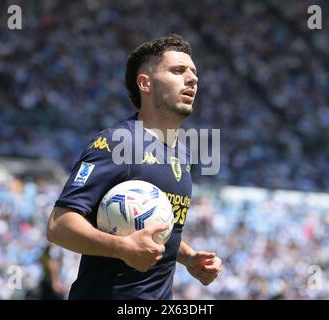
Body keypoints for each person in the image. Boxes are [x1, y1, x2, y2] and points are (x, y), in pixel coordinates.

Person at [47, 34, 222, 299]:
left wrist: (188, 257)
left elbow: (153, 227)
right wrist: (121, 248)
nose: (192, 79)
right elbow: (59, 226)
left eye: (194, 73)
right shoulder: (117, 144)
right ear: (145, 83)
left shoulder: (183, 154)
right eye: (178, 71)